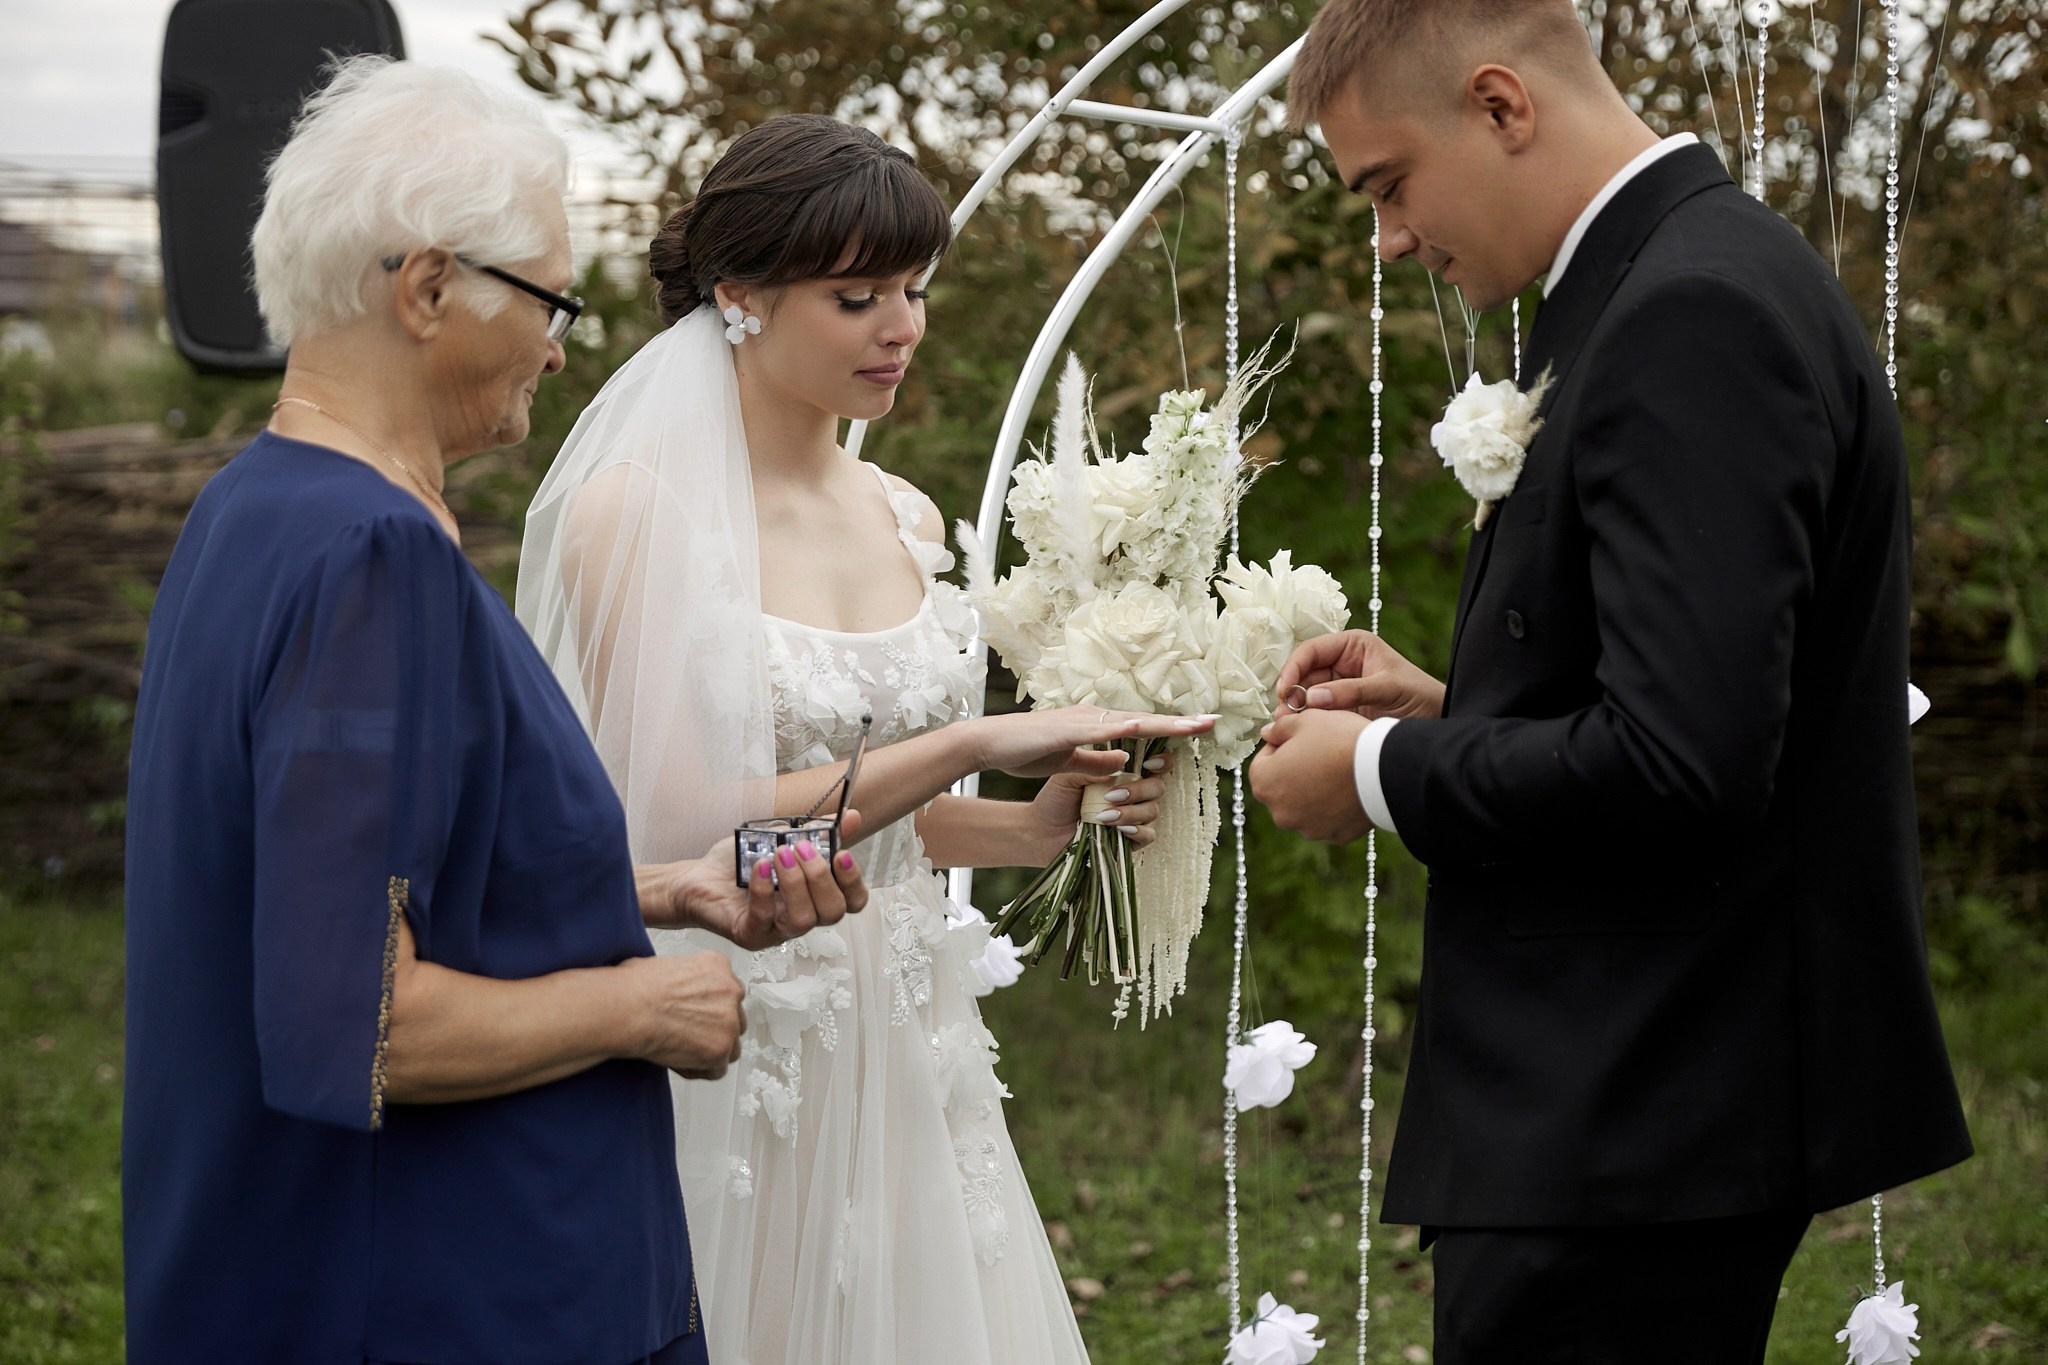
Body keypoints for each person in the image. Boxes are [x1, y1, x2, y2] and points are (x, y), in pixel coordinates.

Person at [1247, 3, 1972, 1362]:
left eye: (1389, 185)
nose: (1390, 238)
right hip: (1637, 1102)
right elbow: (1690, 696)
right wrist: (1455, 711)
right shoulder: (1673, 277)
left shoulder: (1688, 310)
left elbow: (1683, 765)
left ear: (1502, 104)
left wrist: (1372, 774)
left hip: (1640, 1103)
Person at [122, 59, 867, 1365]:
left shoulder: (255, 508)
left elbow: (348, 881)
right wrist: (650, 1008)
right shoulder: (371, 559)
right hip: (442, 1293)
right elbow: (358, 1021)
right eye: (550, 299)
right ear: (425, 289)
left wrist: (660, 889)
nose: (563, 341)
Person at [518, 114, 1215, 1364]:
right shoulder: (639, 514)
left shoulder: (899, 511)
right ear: (738, 295)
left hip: (902, 1031)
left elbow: (887, 810)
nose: (902, 328)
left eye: (912, 291)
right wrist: (971, 743)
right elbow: (692, 820)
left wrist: (1035, 820)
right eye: (857, 298)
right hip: (740, 1021)